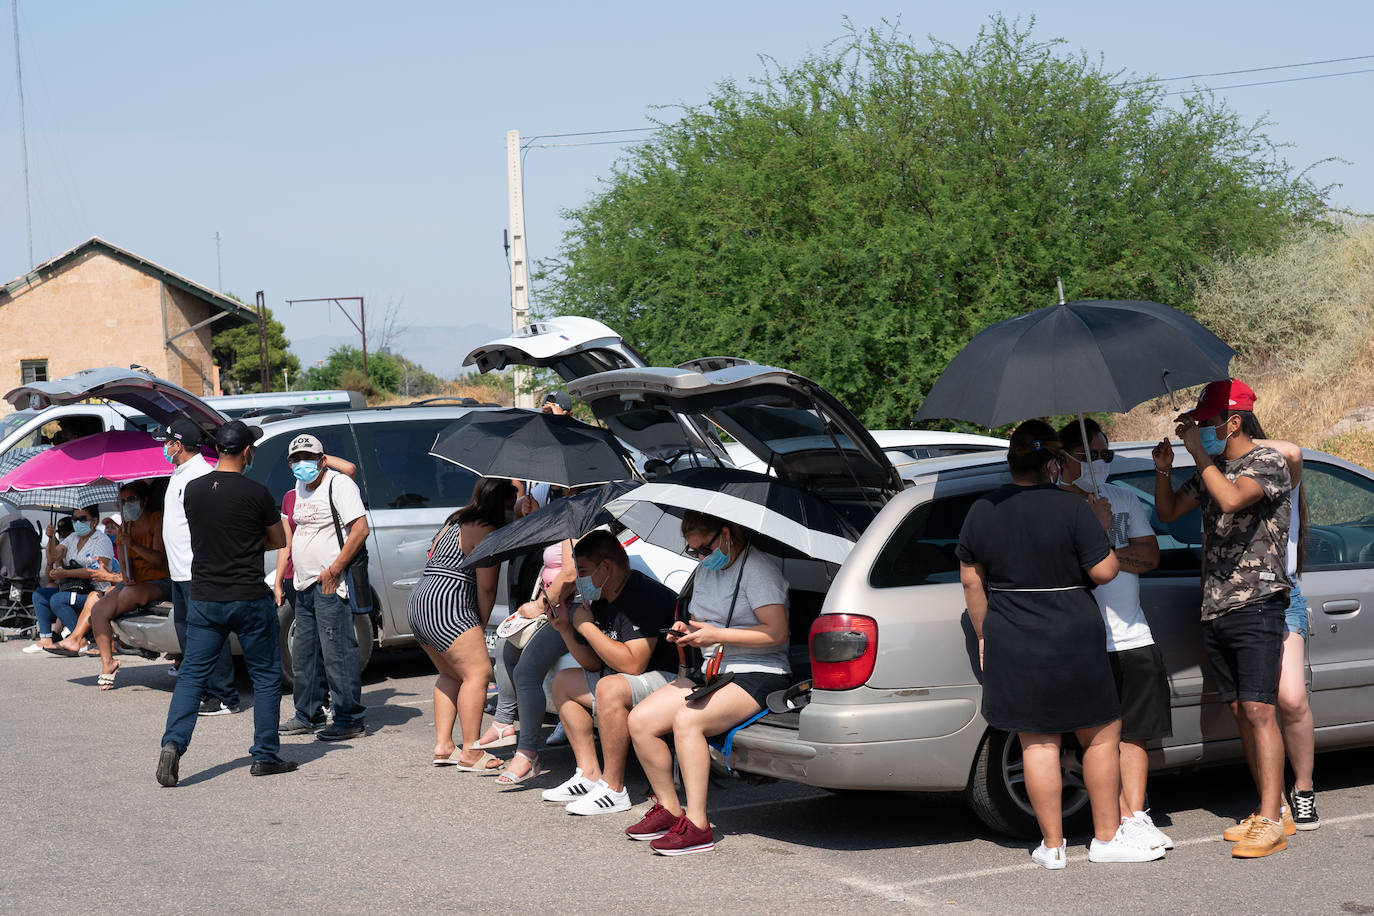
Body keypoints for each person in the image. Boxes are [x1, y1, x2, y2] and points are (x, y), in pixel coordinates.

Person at [959, 420, 1162, 869]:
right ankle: (1106, 838)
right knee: (1101, 736)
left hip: (1012, 632)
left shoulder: (982, 509)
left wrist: (983, 633)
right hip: (1072, 631)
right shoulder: (1074, 510)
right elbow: (1105, 572)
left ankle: (1052, 846)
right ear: (1053, 463)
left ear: (1011, 461)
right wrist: (1103, 525)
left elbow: (972, 581)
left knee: (1037, 741)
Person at [1153, 379, 1293, 858]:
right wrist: (1164, 471)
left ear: (1233, 422)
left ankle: (1273, 818)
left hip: (1258, 602)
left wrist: (1198, 454)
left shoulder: (1266, 463)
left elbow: (1233, 499)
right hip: (1216, 606)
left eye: (1207, 423)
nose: (1200, 429)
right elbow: (1169, 512)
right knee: (1240, 712)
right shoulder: (1213, 467)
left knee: (1259, 710)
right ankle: (1269, 807)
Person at [625, 511, 792, 856]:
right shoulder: (706, 570)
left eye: (705, 548)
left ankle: (698, 826)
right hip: (714, 669)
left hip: (760, 672)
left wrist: (717, 634)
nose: (701, 557)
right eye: (694, 551)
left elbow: (777, 633)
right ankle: (670, 808)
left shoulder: (759, 571)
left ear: (727, 534)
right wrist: (688, 632)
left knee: (688, 720)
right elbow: (703, 623)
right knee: (640, 721)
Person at [156, 420, 295, 786]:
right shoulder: (257, 492)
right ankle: (265, 755)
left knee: (191, 675)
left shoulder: (194, 490)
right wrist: (249, 543)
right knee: (265, 677)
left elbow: (202, 534)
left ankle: (173, 743)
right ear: (247, 451)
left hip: (204, 596)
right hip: (248, 596)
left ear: (217, 450)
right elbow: (278, 540)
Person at [1057, 419, 1173, 851]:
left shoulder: (1122, 496)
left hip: (1132, 633)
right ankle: (1107, 827)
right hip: (1086, 640)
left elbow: (1151, 555)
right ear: (1064, 458)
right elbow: (1072, 569)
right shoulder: (1057, 505)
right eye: (1090, 455)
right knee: (1097, 738)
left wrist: (1106, 549)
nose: (1100, 463)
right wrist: (1099, 531)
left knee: (1137, 732)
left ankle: (1134, 816)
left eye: (1106, 454)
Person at [540, 530, 677, 812]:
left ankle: (614, 788)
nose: (579, 580)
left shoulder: (643, 595)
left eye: (584, 571)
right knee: (564, 682)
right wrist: (566, 628)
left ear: (606, 567)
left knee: (610, 687)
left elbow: (633, 664)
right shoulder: (603, 595)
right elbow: (593, 664)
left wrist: (587, 627)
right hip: (631, 681)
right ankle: (589, 774)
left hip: (671, 681)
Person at [405, 478, 516, 771]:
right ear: (501, 506)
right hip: (448, 604)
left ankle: (443, 746)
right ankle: (471, 751)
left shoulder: (454, 520)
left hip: (420, 599)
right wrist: (477, 625)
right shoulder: (487, 531)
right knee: (478, 674)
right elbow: (487, 588)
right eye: (510, 507)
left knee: (450, 674)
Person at [1247, 420, 1319, 830]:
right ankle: (1272, 799)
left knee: (1291, 698)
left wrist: (1244, 445)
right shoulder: (1225, 479)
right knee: (1256, 705)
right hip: (1239, 599)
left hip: (1283, 594)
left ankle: (1304, 788)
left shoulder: (1279, 474)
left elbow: (1292, 451)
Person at [278, 435, 369, 741]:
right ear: (290, 464)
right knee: (304, 654)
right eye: (297, 459)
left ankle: (348, 718)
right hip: (303, 584)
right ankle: (308, 714)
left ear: (322, 459)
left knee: (337, 652)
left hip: (331, 583)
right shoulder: (298, 490)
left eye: (310, 457)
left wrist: (333, 571)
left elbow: (360, 529)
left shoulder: (339, 484)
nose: (303, 464)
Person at [476, 539, 577, 780]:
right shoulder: (564, 514)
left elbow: (571, 574)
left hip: (572, 609)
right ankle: (503, 723)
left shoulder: (578, 521)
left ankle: (528, 752)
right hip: (554, 606)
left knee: (526, 671)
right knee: (504, 648)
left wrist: (541, 605)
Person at [157, 419, 239, 714]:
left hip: (198, 571)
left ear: (177, 445)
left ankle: (224, 695)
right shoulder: (179, 472)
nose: (164, 447)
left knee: (210, 634)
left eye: (166, 442)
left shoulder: (203, 475)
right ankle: (203, 690)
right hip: (179, 572)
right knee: (189, 636)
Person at [58, 480, 172, 689]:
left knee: (126, 595)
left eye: (131, 499)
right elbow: (127, 566)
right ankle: (108, 663)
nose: (127, 504)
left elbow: (158, 560)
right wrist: (126, 576)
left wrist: (133, 545)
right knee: (99, 610)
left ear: (144, 501)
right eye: (122, 500)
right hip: (133, 584)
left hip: (159, 581)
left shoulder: (157, 520)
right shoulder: (125, 528)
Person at [27, 508, 113, 655]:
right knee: (40, 595)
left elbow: (96, 571)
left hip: (95, 591)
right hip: (73, 587)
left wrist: (66, 572)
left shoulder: (101, 540)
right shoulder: (72, 538)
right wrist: (51, 539)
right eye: (75, 519)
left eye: (82, 519)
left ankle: (80, 639)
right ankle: (46, 639)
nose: (78, 522)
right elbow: (53, 556)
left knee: (58, 599)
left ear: (94, 521)